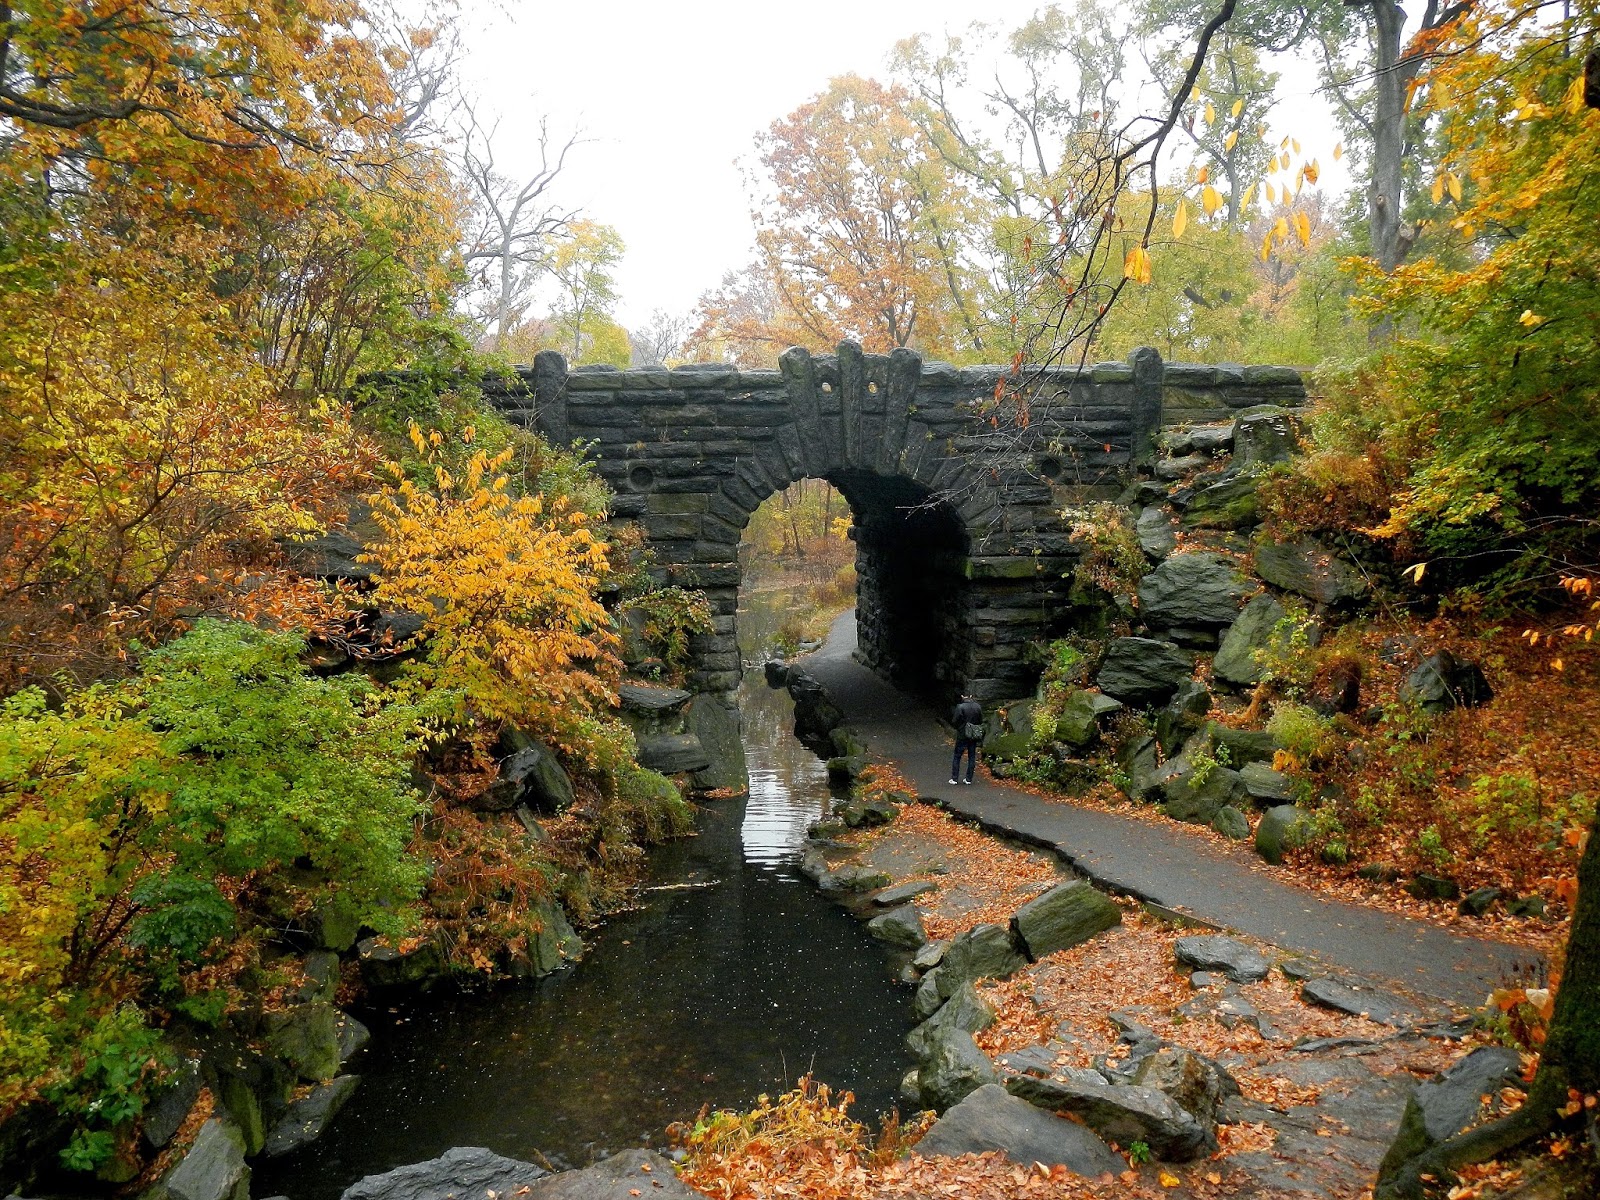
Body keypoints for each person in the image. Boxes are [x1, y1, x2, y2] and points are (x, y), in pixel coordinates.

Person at [949, 693, 983, 785]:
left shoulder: (960, 707)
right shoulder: (977, 707)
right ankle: (968, 779)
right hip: (973, 735)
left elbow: (954, 721)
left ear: (962, 696)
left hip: (962, 734)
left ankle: (954, 778)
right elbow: (980, 720)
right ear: (971, 696)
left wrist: (960, 728)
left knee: (957, 756)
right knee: (971, 756)